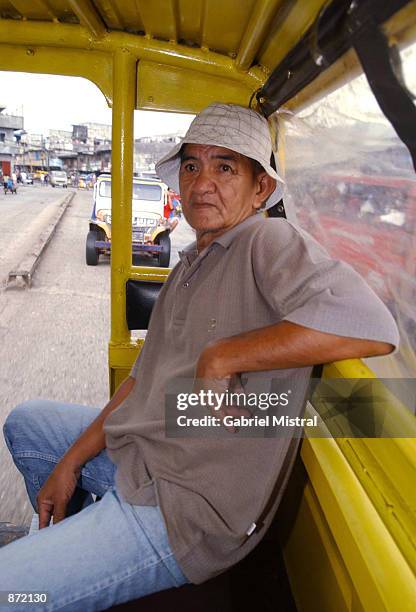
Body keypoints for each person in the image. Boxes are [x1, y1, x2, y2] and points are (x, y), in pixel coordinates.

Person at [1, 103, 399, 610]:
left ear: (260, 190)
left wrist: (223, 356)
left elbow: (372, 326)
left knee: (9, 589)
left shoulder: (267, 240)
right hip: (142, 456)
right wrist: (71, 464)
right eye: (192, 165)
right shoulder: (192, 262)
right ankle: (68, 557)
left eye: (225, 167)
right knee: (30, 423)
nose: (202, 182)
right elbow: (138, 385)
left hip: (183, 508)